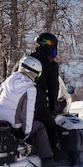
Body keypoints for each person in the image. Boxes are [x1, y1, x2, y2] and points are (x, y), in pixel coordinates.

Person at [0, 56, 59, 167]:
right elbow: (28, 113)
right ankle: (47, 159)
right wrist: (25, 133)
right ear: (33, 72)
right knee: (40, 126)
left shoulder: (9, 80)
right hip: (13, 124)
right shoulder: (30, 88)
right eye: (38, 74)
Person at [29, 32, 64, 160]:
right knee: (50, 126)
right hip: (38, 102)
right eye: (54, 45)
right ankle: (54, 157)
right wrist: (53, 106)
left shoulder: (26, 59)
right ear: (48, 45)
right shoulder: (50, 64)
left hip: (19, 102)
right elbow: (53, 88)